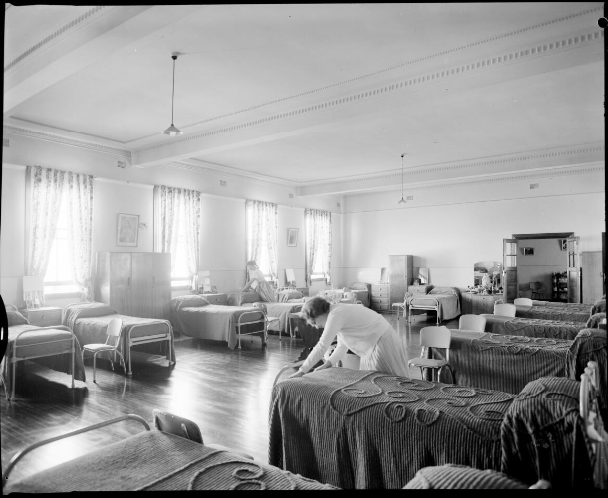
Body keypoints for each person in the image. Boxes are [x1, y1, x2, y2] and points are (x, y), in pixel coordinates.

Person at [288, 296, 410, 378]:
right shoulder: (336, 313)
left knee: (389, 381)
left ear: (318, 314)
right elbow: (342, 345)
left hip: (381, 341)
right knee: (376, 383)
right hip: (377, 342)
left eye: (314, 322)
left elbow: (322, 346)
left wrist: (302, 371)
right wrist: (327, 364)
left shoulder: (336, 314)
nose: (316, 327)